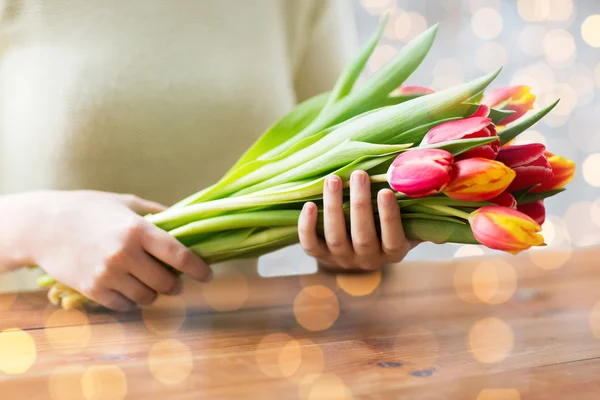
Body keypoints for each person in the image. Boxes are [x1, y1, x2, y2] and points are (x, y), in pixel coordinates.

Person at [0, 0, 416, 311]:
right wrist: (38, 226)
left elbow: (348, 166)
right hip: (37, 352)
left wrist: (353, 249)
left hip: (234, 351)